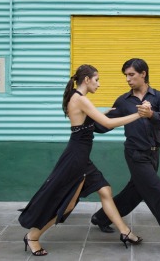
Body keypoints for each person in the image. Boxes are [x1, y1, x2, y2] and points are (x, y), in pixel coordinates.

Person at [18, 64, 146, 256]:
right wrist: (138, 114)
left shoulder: (76, 98)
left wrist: (103, 112)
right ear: (86, 80)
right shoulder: (81, 99)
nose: (99, 84)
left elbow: (85, 123)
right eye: (97, 79)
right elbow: (107, 124)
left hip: (80, 156)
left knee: (105, 190)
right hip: (77, 158)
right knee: (68, 203)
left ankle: (125, 232)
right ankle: (33, 236)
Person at [90, 58, 160, 260]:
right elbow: (106, 124)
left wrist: (151, 114)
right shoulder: (123, 101)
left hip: (154, 153)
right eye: (126, 75)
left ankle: (101, 217)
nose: (127, 79)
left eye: (131, 74)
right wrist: (89, 117)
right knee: (156, 191)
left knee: (135, 192)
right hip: (135, 154)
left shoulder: (159, 97)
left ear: (143, 73)